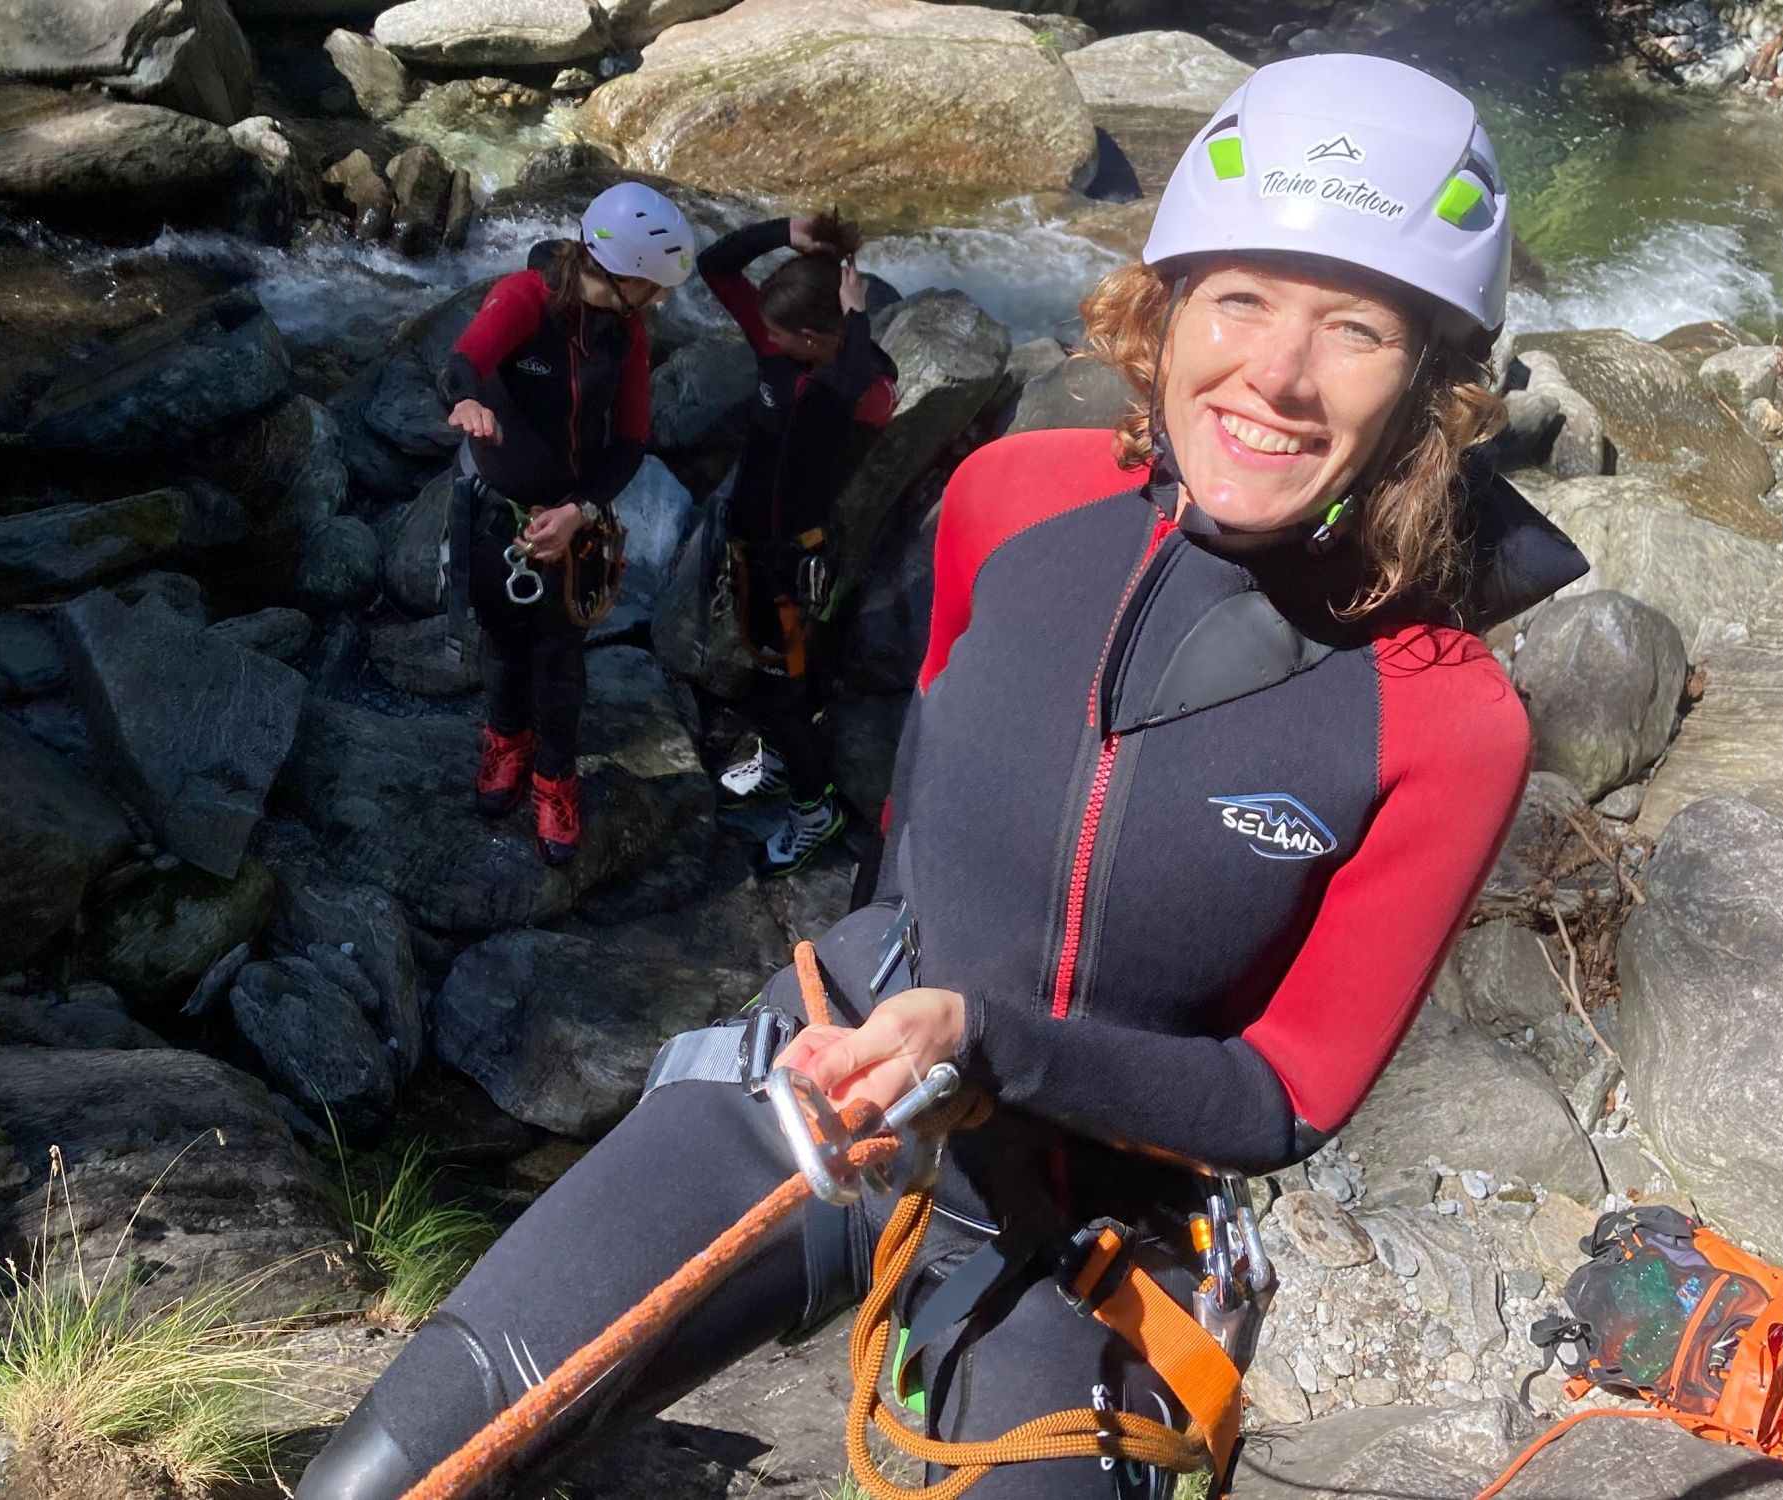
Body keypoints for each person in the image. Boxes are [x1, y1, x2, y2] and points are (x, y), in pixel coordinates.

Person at [297, 55, 1586, 1500]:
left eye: (1354, 328)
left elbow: (1288, 1092)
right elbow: (913, 827)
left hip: (1075, 1219)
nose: (1277, 376)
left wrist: (990, 1047)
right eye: (1239, 301)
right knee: (386, 1477)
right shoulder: (1014, 500)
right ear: (1161, 311)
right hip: (825, 1083)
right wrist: (879, 1019)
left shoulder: (1444, 718)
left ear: (1432, 376)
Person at [441, 181, 693, 866]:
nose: (662, 300)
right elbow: (465, 360)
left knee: (558, 659)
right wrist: (467, 401)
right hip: (500, 516)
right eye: (654, 284)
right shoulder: (526, 297)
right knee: (500, 639)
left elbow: (632, 439)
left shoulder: (629, 329)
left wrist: (577, 512)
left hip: (573, 523)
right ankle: (505, 741)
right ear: (618, 270)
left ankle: (555, 777)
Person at [698, 209, 900, 878]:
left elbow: (856, 382)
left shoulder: (856, 390)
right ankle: (785, 763)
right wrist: (788, 233)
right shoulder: (783, 355)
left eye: (779, 332)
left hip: (793, 562)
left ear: (814, 339)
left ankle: (815, 811)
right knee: (776, 677)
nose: (764, 335)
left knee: (779, 691)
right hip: (756, 549)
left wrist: (859, 314)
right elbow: (715, 266)